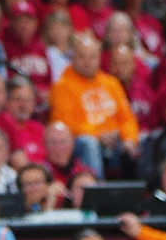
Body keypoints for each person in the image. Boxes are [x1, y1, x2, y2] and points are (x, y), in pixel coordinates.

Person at [49, 35, 137, 178]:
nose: (87, 62)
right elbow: (66, 124)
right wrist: (99, 135)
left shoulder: (112, 83)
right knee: (89, 143)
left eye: (92, 57)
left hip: (113, 141)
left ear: (99, 58)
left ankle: (147, 190)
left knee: (144, 141)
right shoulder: (61, 86)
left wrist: (129, 139)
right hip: (82, 143)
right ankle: (96, 188)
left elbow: (127, 118)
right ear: (73, 58)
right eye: (82, 57)